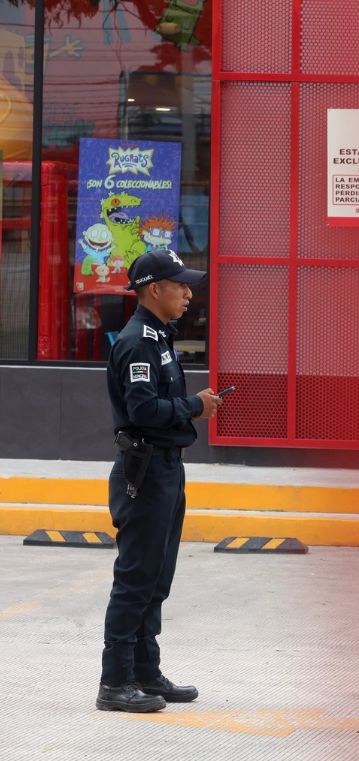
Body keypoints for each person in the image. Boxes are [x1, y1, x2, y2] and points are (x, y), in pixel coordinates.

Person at [97, 248, 221, 713]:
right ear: (155, 290)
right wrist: (194, 406)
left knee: (157, 577)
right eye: (181, 285)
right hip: (145, 471)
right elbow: (143, 410)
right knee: (135, 578)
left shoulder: (160, 337)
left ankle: (146, 673)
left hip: (167, 467)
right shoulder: (137, 343)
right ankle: (115, 681)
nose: (189, 294)